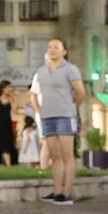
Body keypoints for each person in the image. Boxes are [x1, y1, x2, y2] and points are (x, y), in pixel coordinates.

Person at [35, 37, 84, 205]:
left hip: (65, 116)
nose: (52, 50)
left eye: (56, 47)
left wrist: (72, 109)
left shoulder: (70, 69)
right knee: (55, 156)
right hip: (47, 117)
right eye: (50, 47)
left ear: (64, 51)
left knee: (67, 155)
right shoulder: (41, 71)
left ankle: (67, 192)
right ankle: (57, 191)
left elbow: (80, 93)